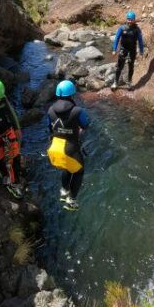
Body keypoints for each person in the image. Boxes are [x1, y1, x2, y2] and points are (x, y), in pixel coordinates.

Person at [47, 80, 90, 211]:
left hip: (54, 149)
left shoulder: (50, 110)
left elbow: (50, 128)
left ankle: (64, 191)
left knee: (67, 167)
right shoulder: (78, 110)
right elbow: (86, 124)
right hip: (70, 149)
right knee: (79, 171)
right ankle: (71, 201)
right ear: (72, 94)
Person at [111, 10, 144, 90]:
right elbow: (117, 39)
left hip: (132, 50)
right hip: (123, 49)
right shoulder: (122, 28)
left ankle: (129, 83)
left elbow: (140, 40)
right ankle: (115, 82)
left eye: (131, 19)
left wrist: (141, 51)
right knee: (119, 66)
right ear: (126, 19)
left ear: (134, 20)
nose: (129, 21)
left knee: (131, 66)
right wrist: (114, 49)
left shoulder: (137, 29)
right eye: (128, 19)